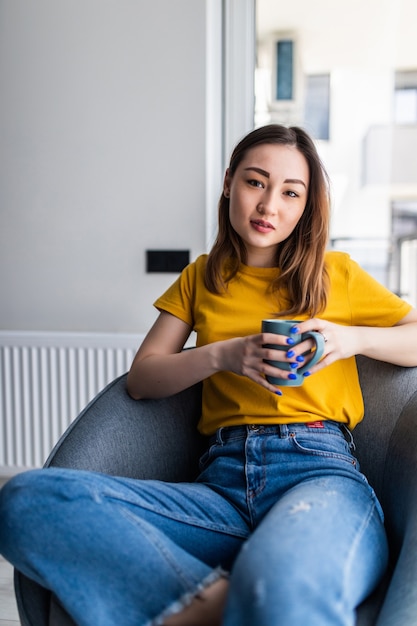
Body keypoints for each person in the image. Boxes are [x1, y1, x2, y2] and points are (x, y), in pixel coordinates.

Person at [1, 124, 417, 626]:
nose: (269, 207)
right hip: (221, 486)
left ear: (306, 206)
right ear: (228, 183)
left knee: (283, 588)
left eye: (291, 193)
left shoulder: (337, 274)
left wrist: (350, 339)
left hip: (317, 474)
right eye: (255, 183)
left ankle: (242, 593)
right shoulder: (201, 277)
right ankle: (210, 600)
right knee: (27, 501)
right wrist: (223, 356)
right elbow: (143, 378)